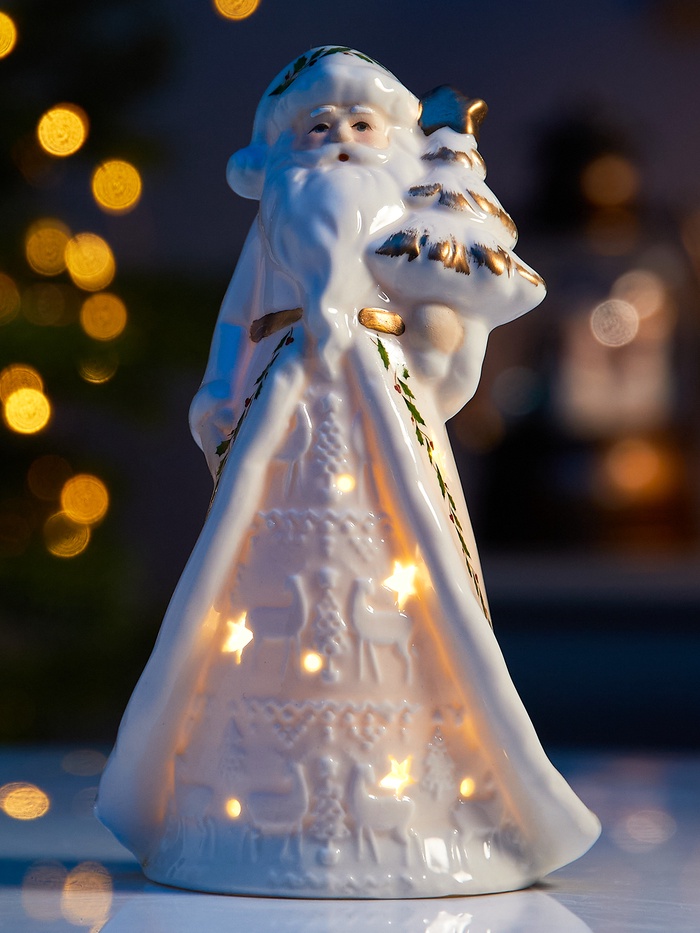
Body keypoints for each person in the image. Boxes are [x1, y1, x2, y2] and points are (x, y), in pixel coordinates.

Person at [97, 47, 599, 897]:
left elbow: (443, 344)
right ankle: (237, 815)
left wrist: (455, 336)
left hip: (377, 389)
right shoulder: (276, 219)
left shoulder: (403, 225)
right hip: (288, 391)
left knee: (413, 555)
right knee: (246, 563)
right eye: (319, 125)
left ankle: (426, 805)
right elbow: (237, 320)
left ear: (388, 138)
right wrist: (220, 389)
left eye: (360, 124)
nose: (338, 140)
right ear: (284, 144)